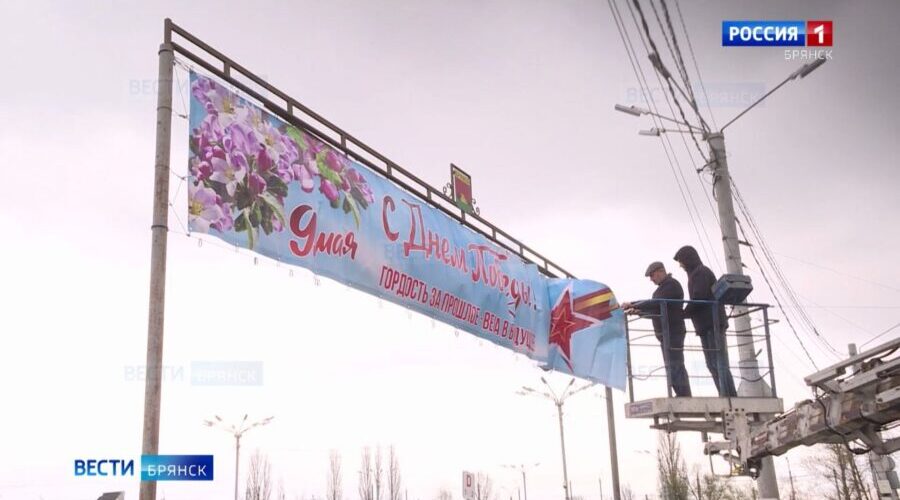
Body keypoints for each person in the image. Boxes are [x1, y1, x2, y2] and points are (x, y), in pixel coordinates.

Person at [673, 245, 737, 397]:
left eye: (681, 261)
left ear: (688, 259)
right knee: (712, 364)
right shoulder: (696, 274)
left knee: (718, 362)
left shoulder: (701, 273)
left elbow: (699, 297)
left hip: (712, 324)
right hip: (705, 325)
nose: (681, 265)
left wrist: (683, 313)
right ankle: (724, 394)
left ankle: (729, 396)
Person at [623, 261, 691, 397]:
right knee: (671, 365)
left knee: (675, 364)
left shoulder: (671, 285)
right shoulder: (660, 290)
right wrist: (639, 312)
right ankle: (681, 393)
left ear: (661, 271)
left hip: (673, 331)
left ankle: (684, 395)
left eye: (652, 275)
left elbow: (656, 303)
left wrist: (634, 304)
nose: (651, 279)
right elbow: (656, 310)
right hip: (665, 333)